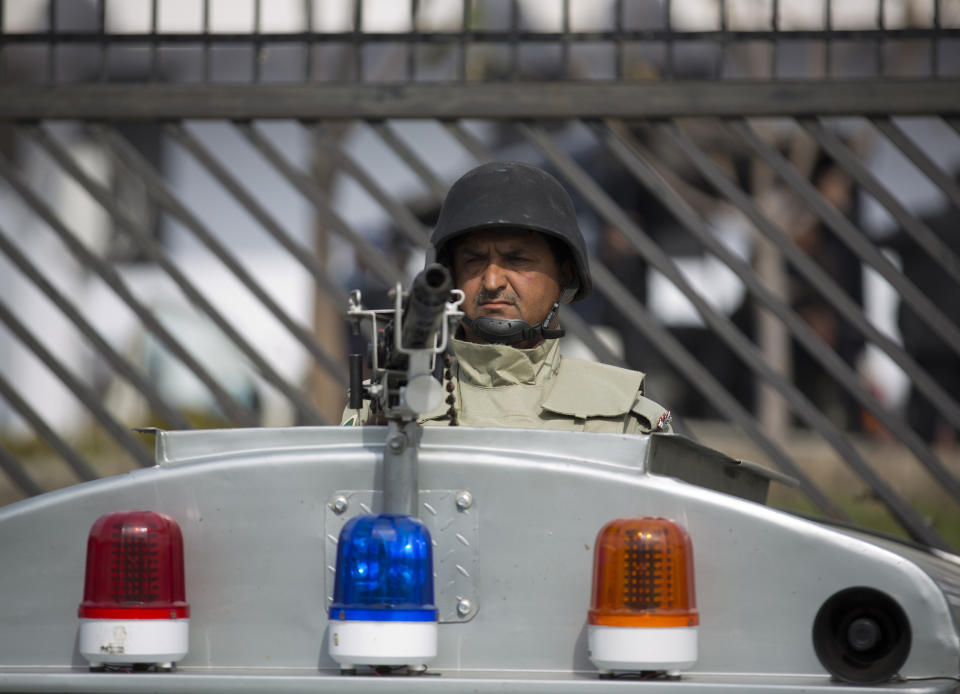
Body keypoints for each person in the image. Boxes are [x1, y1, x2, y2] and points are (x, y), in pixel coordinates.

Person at [342, 161, 672, 434]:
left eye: (517, 260)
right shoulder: (389, 405)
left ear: (565, 276)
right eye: (473, 260)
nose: (492, 280)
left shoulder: (626, 418)